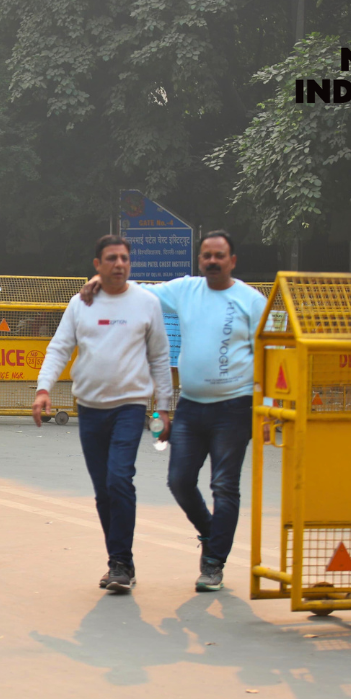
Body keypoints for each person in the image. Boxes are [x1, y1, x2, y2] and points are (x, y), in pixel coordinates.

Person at [80, 230, 267, 592]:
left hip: (235, 408)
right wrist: (101, 278)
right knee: (179, 481)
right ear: (200, 260)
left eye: (219, 255)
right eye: (206, 255)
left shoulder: (251, 300)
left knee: (224, 486)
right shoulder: (186, 290)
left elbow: (273, 351)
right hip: (192, 408)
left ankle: (213, 562)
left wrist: (267, 405)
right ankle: (213, 535)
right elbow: (138, 289)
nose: (212, 261)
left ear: (233, 261)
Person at [34, 235, 173, 593]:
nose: (119, 264)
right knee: (102, 491)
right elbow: (60, 347)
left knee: (118, 480)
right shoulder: (81, 304)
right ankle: (118, 560)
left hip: (130, 407)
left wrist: (164, 406)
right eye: (111, 258)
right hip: (91, 410)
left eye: (124, 258)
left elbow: (159, 357)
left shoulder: (146, 302)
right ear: (97, 265)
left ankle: (121, 563)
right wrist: (43, 388)